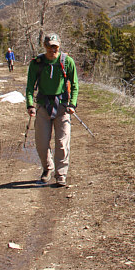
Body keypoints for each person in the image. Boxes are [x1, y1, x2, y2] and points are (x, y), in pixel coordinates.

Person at [25, 33, 79, 187]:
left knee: (62, 143)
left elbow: (75, 84)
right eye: (49, 46)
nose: (52, 49)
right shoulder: (36, 63)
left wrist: (72, 104)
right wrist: (30, 105)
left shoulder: (67, 62)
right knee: (41, 143)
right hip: (43, 106)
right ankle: (48, 168)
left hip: (62, 107)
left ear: (59, 46)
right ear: (44, 46)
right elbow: (30, 86)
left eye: (55, 46)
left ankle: (61, 174)